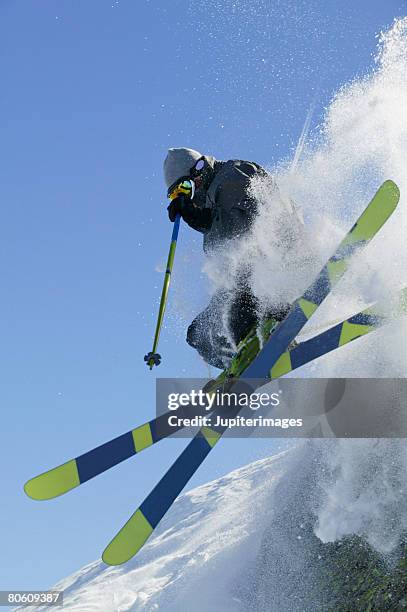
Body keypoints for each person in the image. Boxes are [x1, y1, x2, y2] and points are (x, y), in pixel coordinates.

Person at [163, 147, 292, 369]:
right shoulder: (211, 203)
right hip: (248, 279)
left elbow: (241, 227)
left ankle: (269, 326)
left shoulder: (232, 174)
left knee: (231, 307)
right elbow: (221, 248)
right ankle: (240, 364)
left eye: (186, 187)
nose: (187, 196)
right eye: (177, 194)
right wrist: (197, 217)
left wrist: (198, 216)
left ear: (200, 170)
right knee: (200, 334)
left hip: (277, 263)